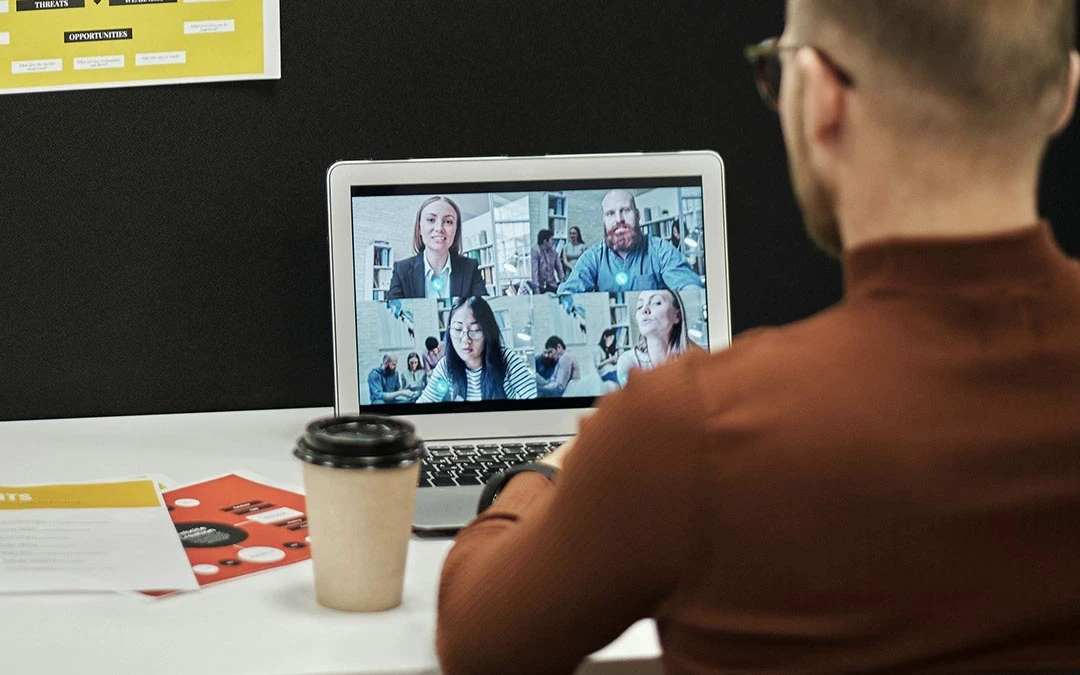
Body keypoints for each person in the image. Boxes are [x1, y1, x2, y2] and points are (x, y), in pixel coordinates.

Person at [436, 2, 1080, 673]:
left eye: (781, 67)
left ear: (821, 95)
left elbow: (476, 639)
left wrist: (551, 468)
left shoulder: (688, 425)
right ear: (1063, 90)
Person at [557, 189, 703, 293]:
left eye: (625, 210)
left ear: (637, 215)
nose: (619, 219)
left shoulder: (661, 250)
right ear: (604, 221)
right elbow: (567, 294)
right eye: (610, 213)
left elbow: (691, 290)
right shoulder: (593, 257)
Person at [417, 295, 537, 402]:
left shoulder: (506, 359)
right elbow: (423, 405)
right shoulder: (445, 366)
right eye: (458, 329)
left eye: (475, 330)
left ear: (488, 332)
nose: (466, 340)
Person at [385, 196, 488, 300]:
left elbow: (483, 308)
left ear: (456, 230)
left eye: (448, 222)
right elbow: (392, 309)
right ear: (419, 228)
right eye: (431, 220)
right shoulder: (401, 270)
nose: (439, 228)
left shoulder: (470, 268)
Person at [615, 288, 692, 386]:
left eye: (656, 303)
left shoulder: (697, 359)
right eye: (639, 306)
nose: (644, 309)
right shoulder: (628, 362)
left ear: (677, 316)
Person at [530, 229, 564, 294]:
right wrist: (536, 290)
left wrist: (562, 284)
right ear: (545, 241)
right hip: (540, 286)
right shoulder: (535, 251)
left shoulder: (553, 251)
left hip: (552, 284)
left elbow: (559, 267)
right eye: (551, 239)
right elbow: (534, 272)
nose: (553, 241)